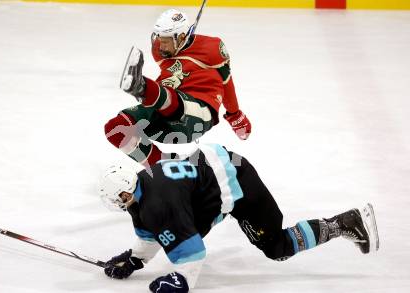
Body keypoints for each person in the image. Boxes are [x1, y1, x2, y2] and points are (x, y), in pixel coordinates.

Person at [98, 144, 379, 292]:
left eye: (115, 199)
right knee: (186, 225)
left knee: (276, 248)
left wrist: (182, 279)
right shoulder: (143, 185)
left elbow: (192, 252)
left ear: (124, 193)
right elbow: (154, 228)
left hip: (237, 182)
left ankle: (345, 222)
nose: (115, 205)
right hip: (217, 164)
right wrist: (135, 260)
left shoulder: (158, 204)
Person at [104, 9, 251, 167]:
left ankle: (143, 88)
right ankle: (167, 167)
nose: (161, 45)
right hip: (165, 107)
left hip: (198, 114)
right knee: (116, 127)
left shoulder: (212, 48)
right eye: (159, 38)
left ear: (181, 37)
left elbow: (226, 82)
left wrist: (235, 115)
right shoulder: (159, 50)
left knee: (173, 100)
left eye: (166, 41)